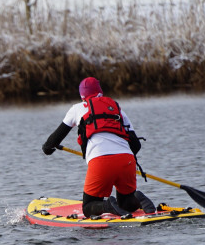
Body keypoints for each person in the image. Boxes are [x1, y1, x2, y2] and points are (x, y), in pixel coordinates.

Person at [41, 77, 155, 217]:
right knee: (126, 203)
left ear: (82, 95)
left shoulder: (77, 108)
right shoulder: (116, 108)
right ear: (100, 91)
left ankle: (108, 205)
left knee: (88, 207)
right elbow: (136, 145)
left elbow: (52, 142)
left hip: (101, 161)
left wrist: (47, 148)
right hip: (127, 159)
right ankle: (137, 198)